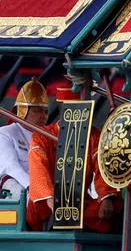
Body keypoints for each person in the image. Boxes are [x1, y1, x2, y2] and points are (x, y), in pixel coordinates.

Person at [26, 87, 119, 233]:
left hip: (79, 201)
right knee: (34, 211)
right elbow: (39, 168)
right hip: (46, 202)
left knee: (116, 206)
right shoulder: (42, 136)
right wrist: (51, 199)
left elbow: (102, 167)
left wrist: (106, 198)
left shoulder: (93, 135)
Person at [0, 79, 48, 198]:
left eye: (45, 111)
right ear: (22, 111)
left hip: (44, 187)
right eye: (37, 110)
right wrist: (35, 188)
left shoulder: (48, 138)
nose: (43, 116)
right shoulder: (5, 133)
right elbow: (10, 167)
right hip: (18, 187)